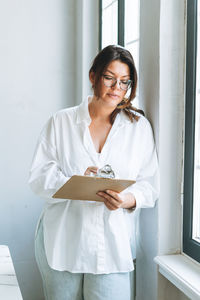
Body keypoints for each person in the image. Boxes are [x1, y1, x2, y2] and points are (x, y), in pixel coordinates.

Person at [29, 45, 159, 300]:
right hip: (62, 240)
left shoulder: (138, 128)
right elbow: (38, 177)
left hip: (111, 245)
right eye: (109, 78)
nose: (116, 88)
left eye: (124, 82)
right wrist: (76, 181)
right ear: (93, 76)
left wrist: (126, 199)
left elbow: (150, 184)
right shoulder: (60, 122)